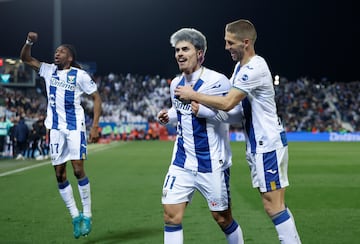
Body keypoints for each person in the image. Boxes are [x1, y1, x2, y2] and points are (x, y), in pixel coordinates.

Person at [174, 19, 302, 244]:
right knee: (274, 204)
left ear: (245, 42)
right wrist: (204, 110)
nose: (226, 47)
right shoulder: (240, 67)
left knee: (273, 206)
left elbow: (228, 103)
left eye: (230, 42)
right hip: (260, 144)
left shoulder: (254, 67)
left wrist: (194, 95)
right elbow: (236, 113)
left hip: (267, 144)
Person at [158, 28, 244, 244]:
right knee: (171, 216)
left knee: (222, 218)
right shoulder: (175, 84)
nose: (179, 54)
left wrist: (204, 110)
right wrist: (169, 115)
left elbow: (237, 115)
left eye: (185, 49)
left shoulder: (218, 81)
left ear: (200, 54)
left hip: (212, 162)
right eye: (177, 50)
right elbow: (180, 110)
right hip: (181, 161)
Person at [20, 32, 102, 239]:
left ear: (70, 58)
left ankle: (88, 214)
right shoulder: (48, 70)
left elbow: (96, 97)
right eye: (56, 51)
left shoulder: (79, 75)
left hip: (74, 127)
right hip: (55, 129)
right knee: (59, 174)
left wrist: (95, 126)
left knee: (77, 169)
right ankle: (75, 217)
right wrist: (29, 42)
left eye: (61, 52)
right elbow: (26, 58)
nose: (57, 54)